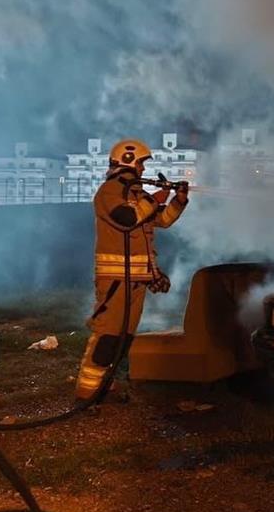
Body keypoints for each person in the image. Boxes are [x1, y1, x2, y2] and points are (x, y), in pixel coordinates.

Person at [74, 139, 188, 403]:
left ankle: (106, 386)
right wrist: (153, 198)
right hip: (116, 279)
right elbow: (127, 219)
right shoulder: (109, 191)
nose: (142, 169)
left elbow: (161, 220)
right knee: (107, 337)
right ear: (127, 161)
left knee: (124, 338)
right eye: (140, 163)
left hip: (137, 279)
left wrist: (177, 201)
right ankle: (86, 395)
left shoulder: (135, 195)